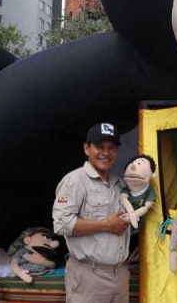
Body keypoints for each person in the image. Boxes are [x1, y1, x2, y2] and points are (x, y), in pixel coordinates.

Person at [53, 123, 131, 303]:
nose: (106, 153)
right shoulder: (75, 180)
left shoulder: (120, 184)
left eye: (112, 147)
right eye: (99, 146)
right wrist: (106, 225)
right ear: (87, 149)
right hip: (89, 275)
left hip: (120, 273)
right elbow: (61, 224)